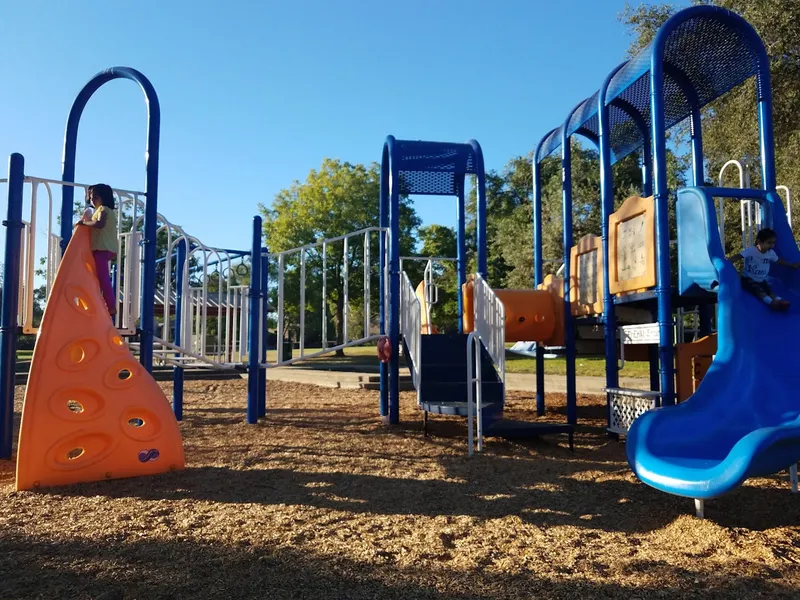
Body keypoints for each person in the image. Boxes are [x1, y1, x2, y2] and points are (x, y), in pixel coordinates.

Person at [726, 227, 800, 311]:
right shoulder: (751, 251)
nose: (772, 246)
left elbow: (779, 261)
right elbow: (738, 256)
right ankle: (771, 303)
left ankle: (780, 300)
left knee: (769, 291)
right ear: (759, 242)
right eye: (769, 243)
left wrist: (791, 265)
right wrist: (728, 262)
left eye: (773, 243)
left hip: (761, 280)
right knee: (759, 291)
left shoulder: (770, 253)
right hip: (748, 279)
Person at [76, 184, 118, 317]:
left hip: (102, 248)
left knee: (103, 278)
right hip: (102, 248)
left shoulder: (103, 209)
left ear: (104, 198)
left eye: (95, 197)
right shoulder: (102, 210)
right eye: (90, 197)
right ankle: (100, 302)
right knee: (97, 277)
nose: (92, 200)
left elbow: (99, 224)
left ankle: (111, 306)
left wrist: (84, 223)